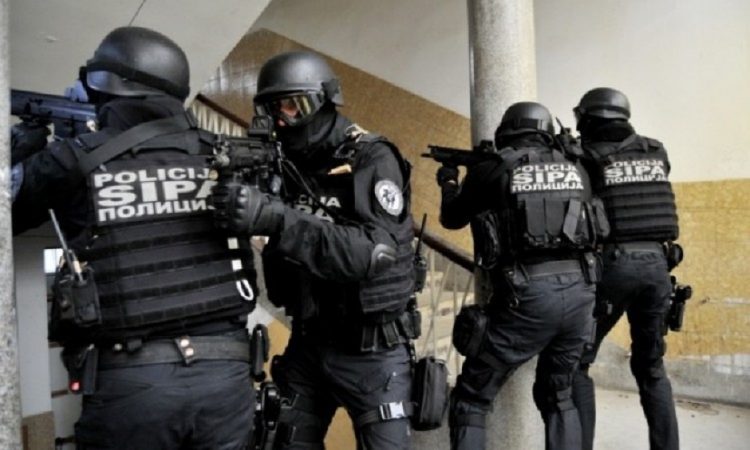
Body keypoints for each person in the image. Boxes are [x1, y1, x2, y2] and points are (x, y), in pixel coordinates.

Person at [12, 26, 257, 449]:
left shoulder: (74, 157)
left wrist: (21, 148)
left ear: (109, 86)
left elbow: (10, 212)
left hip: (131, 382)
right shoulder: (224, 155)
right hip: (228, 378)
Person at [211, 50, 418, 450]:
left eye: (294, 105)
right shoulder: (284, 164)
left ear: (324, 100)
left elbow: (373, 253)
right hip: (309, 343)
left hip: (373, 351)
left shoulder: (370, 156)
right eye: (273, 108)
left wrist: (277, 219)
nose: (283, 119)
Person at [437, 102, 609, 450]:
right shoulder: (577, 167)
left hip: (527, 296)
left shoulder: (495, 167)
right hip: (581, 293)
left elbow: (452, 218)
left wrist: (450, 181)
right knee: (559, 395)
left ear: (508, 130)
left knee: (471, 399)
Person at [570, 87, 681, 450]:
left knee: (577, 364)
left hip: (614, 266)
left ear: (589, 118)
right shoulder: (655, 150)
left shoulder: (586, 156)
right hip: (658, 267)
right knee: (652, 368)